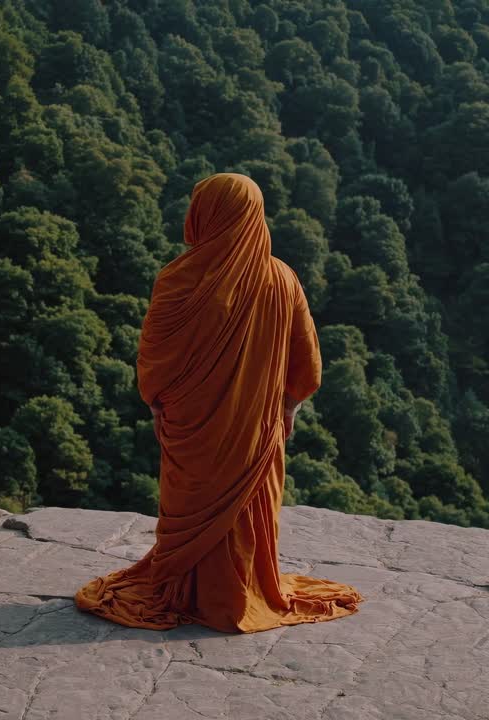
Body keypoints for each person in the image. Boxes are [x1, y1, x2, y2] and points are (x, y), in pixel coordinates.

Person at [74, 172, 364, 633]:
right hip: (254, 429)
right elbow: (307, 363)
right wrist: (287, 408)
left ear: (201, 214)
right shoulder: (282, 280)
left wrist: (156, 405)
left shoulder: (176, 279)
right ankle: (240, 591)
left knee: (188, 504)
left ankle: (185, 588)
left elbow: (153, 356)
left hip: (191, 428)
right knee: (247, 512)